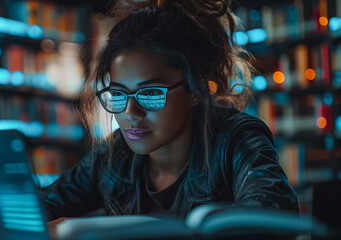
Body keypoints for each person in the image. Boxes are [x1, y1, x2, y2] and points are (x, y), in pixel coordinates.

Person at [38, 0, 298, 220]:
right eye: (118, 94)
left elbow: (272, 211)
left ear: (195, 88)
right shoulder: (114, 157)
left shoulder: (236, 140)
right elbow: (38, 207)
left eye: (151, 93)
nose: (131, 113)